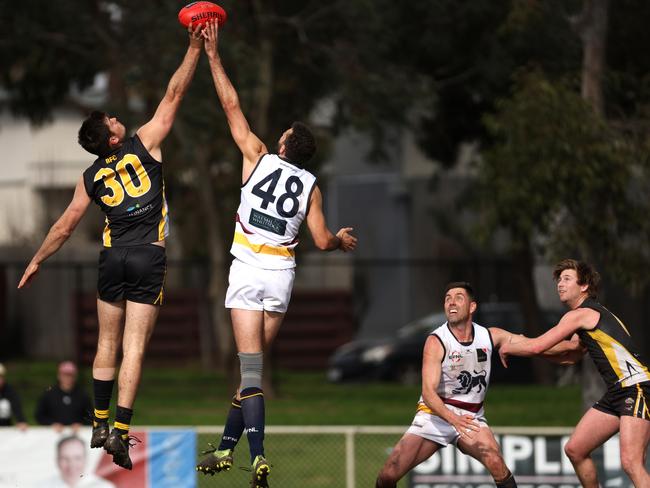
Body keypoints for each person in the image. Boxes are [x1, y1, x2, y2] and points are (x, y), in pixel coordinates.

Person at [18, 23, 205, 470]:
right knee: (134, 347)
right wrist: (194, 47)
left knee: (106, 341)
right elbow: (174, 93)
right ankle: (121, 428)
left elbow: (64, 226)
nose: (116, 118)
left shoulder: (90, 178)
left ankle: (98, 421)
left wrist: (37, 259)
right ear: (114, 139)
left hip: (112, 257)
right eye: (111, 121)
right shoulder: (145, 144)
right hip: (147, 255)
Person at [196, 21, 357, 487]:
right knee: (251, 369)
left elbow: (230, 104)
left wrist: (213, 56)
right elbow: (323, 241)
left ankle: (259, 456)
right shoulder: (311, 186)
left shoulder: (258, 155)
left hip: (248, 269)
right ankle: (226, 450)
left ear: (284, 145)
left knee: (249, 373)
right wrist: (341, 241)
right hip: (282, 276)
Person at [375, 282, 579, 488]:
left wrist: (572, 345)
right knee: (388, 475)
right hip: (435, 414)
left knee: (496, 462)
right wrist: (453, 419)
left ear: (472, 307)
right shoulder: (437, 341)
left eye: (458, 298)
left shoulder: (490, 335)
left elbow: (535, 345)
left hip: (470, 416)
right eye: (447, 298)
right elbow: (428, 393)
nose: (451, 302)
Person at [499, 259, 650, 488]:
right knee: (576, 449)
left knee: (631, 462)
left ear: (584, 286)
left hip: (636, 387)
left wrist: (510, 345)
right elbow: (570, 354)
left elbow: (538, 346)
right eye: (559, 280)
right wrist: (528, 347)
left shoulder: (581, 314)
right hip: (618, 391)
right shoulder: (588, 317)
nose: (560, 284)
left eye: (567, 279)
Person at [35, 361, 92, 432]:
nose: (67, 378)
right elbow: (39, 416)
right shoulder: (49, 394)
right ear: (59, 375)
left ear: (75, 376)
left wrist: (81, 424)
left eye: (70, 375)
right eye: (65, 375)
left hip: (77, 435)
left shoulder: (83, 395)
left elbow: (90, 416)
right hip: (53, 434)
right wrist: (52, 424)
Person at [39, 435, 114, 488]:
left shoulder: (104, 487)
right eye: (65, 458)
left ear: (85, 459)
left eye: (77, 458)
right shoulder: (42, 486)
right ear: (57, 460)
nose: (71, 464)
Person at [0, 363, 28, 430]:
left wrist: (21, 421)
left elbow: (17, 407)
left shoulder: (9, 391)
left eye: (1, 377)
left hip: (5, 428)